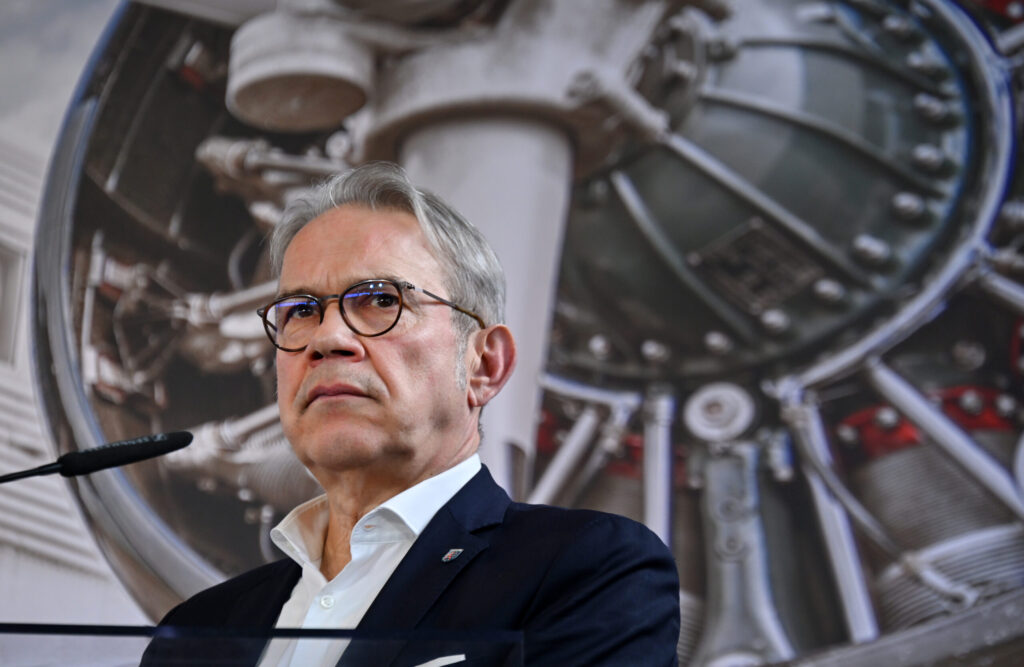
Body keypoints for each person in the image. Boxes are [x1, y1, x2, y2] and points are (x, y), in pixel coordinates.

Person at [142, 162, 680, 666]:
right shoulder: (196, 631)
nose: (327, 339)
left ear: (484, 364)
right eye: (300, 311)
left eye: (381, 300)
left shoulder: (589, 572)